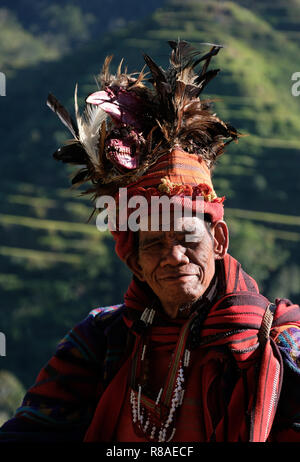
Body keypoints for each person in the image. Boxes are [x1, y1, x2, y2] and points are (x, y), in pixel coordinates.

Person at [1, 40, 299, 443]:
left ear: (220, 240)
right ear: (135, 262)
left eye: (187, 237)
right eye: (155, 244)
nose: (174, 255)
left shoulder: (282, 343)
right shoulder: (100, 341)